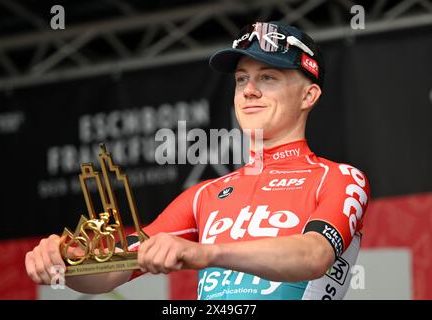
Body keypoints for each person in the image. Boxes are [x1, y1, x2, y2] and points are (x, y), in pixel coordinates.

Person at [25, 21, 370, 300]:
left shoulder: (338, 178)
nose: (249, 90)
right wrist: (65, 263)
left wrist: (207, 253)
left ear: (309, 94)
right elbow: (113, 270)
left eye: (268, 77)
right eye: (241, 79)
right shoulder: (204, 194)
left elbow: (314, 256)